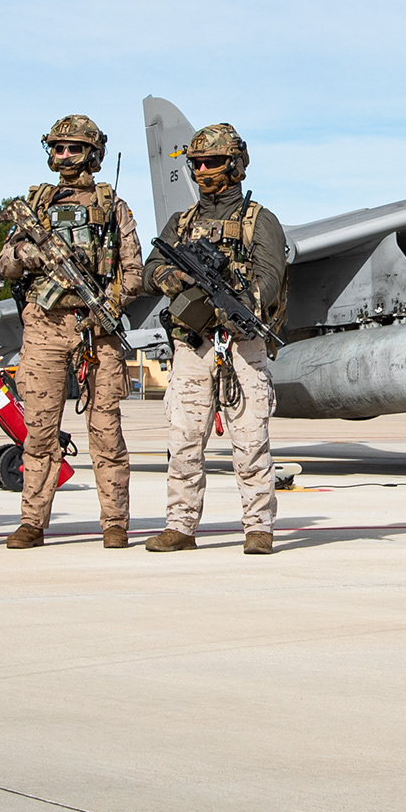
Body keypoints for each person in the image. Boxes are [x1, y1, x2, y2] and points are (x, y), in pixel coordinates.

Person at [0, 115, 144, 549]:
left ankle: (115, 522)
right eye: (58, 149)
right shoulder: (35, 206)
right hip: (43, 328)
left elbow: (133, 273)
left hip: (97, 331)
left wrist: (108, 308)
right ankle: (32, 522)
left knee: (106, 430)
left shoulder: (113, 206)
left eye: (73, 149)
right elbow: (4, 265)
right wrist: (26, 252)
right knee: (39, 432)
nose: (65, 157)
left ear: (92, 153)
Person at [143, 123, 287, 556]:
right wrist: (172, 277)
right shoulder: (181, 223)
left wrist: (237, 306)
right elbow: (151, 269)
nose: (203, 170)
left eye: (212, 162)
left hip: (242, 344)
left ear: (235, 165)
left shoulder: (258, 221)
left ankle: (258, 527)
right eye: (197, 163)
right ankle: (180, 527)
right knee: (183, 440)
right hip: (193, 345)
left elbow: (270, 281)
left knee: (249, 441)